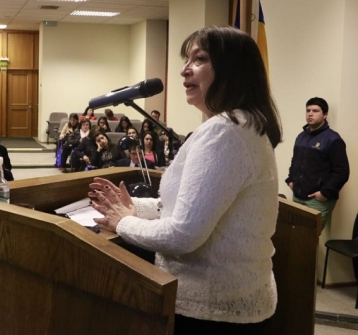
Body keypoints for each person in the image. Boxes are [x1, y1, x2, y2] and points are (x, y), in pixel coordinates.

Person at [89, 26, 282, 334]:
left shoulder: (225, 131)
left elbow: (183, 235)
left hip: (213, 312)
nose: (183, 70)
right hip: (237, 301)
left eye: (199, 59)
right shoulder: (243, 125)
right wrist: (134, 207)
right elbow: (189, 206)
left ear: (230, 69)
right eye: (187, 59)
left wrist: (122, 222)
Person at [285, 97, 349, 230]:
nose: (310, 114)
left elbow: (342, 172)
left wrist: (325, 193)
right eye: (308, 110)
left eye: (315, 111)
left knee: (308, 239)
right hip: (297, 196)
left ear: (325, 115)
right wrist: (291, 180)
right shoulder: (301, 136)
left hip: (317, 201)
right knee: (294, 237)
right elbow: (295, 160)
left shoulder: (333, 139)